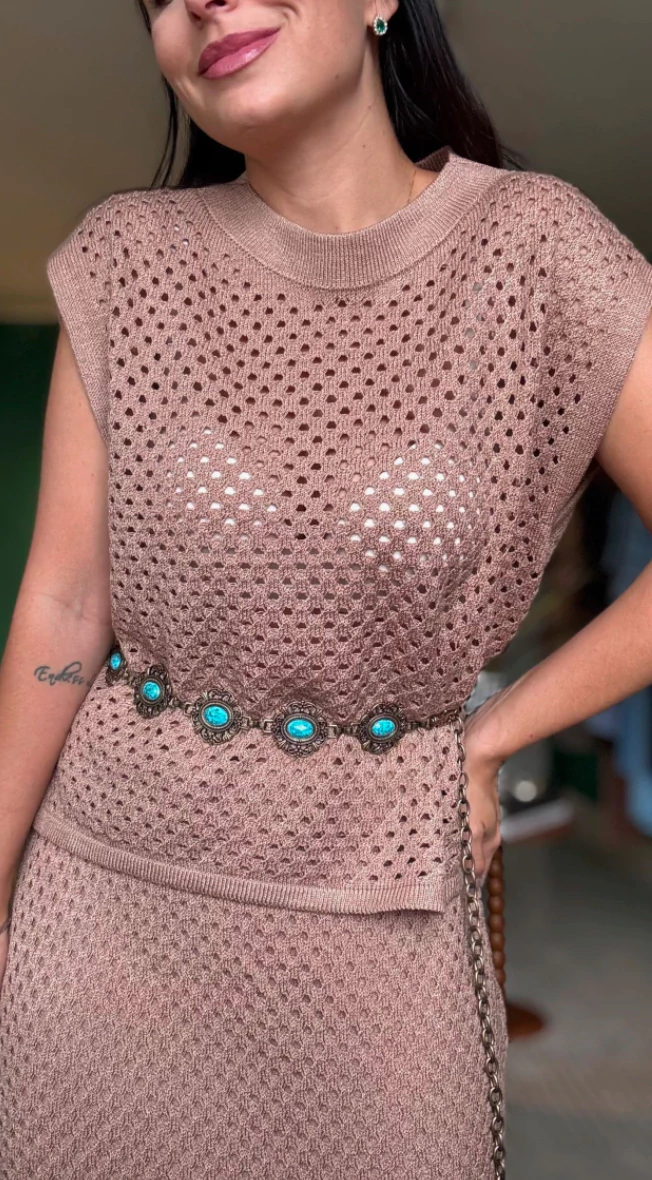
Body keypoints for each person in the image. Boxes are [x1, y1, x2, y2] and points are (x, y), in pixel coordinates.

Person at [1, 2, 652, 1177]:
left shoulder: (536, 249)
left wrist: (492, 735)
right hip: (102, 907)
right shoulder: (126, 260)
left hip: (384, 904)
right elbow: (64, 603)